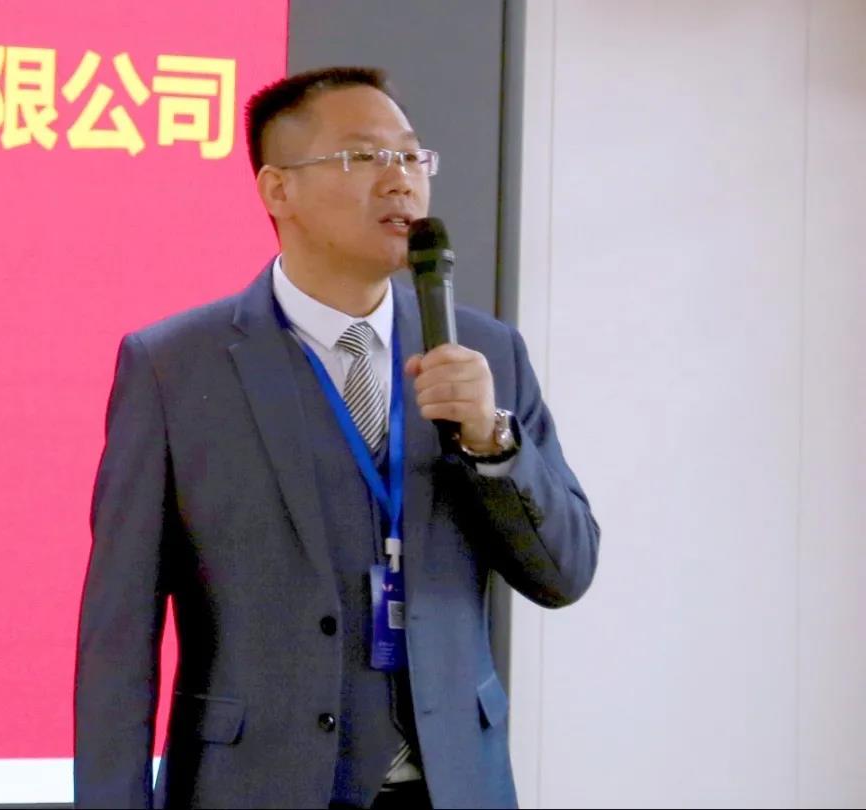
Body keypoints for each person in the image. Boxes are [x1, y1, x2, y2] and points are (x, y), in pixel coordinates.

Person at [74, 66, 599, 810]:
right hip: (256, 789)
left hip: (453, 787)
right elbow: (119, 637)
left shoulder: (486, 355)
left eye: (411, 156)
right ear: (277, 190)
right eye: (363, 157)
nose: (400, 180)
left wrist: (493, 444)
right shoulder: (174, 367)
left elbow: (565, 572)